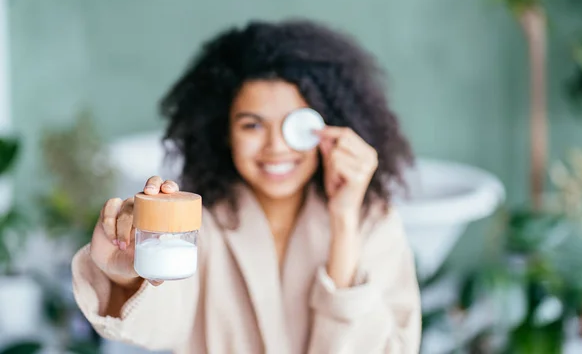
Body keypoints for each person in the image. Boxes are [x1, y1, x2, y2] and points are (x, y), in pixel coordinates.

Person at [71, 19, 421, 354]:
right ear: (224, 132)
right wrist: (132, 274)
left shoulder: (373, 223)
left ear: (329, 125)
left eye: (294, 126)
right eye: (252, 126)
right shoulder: (196, 224)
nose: (275, 147)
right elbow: (163, 326)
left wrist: (344, 220)